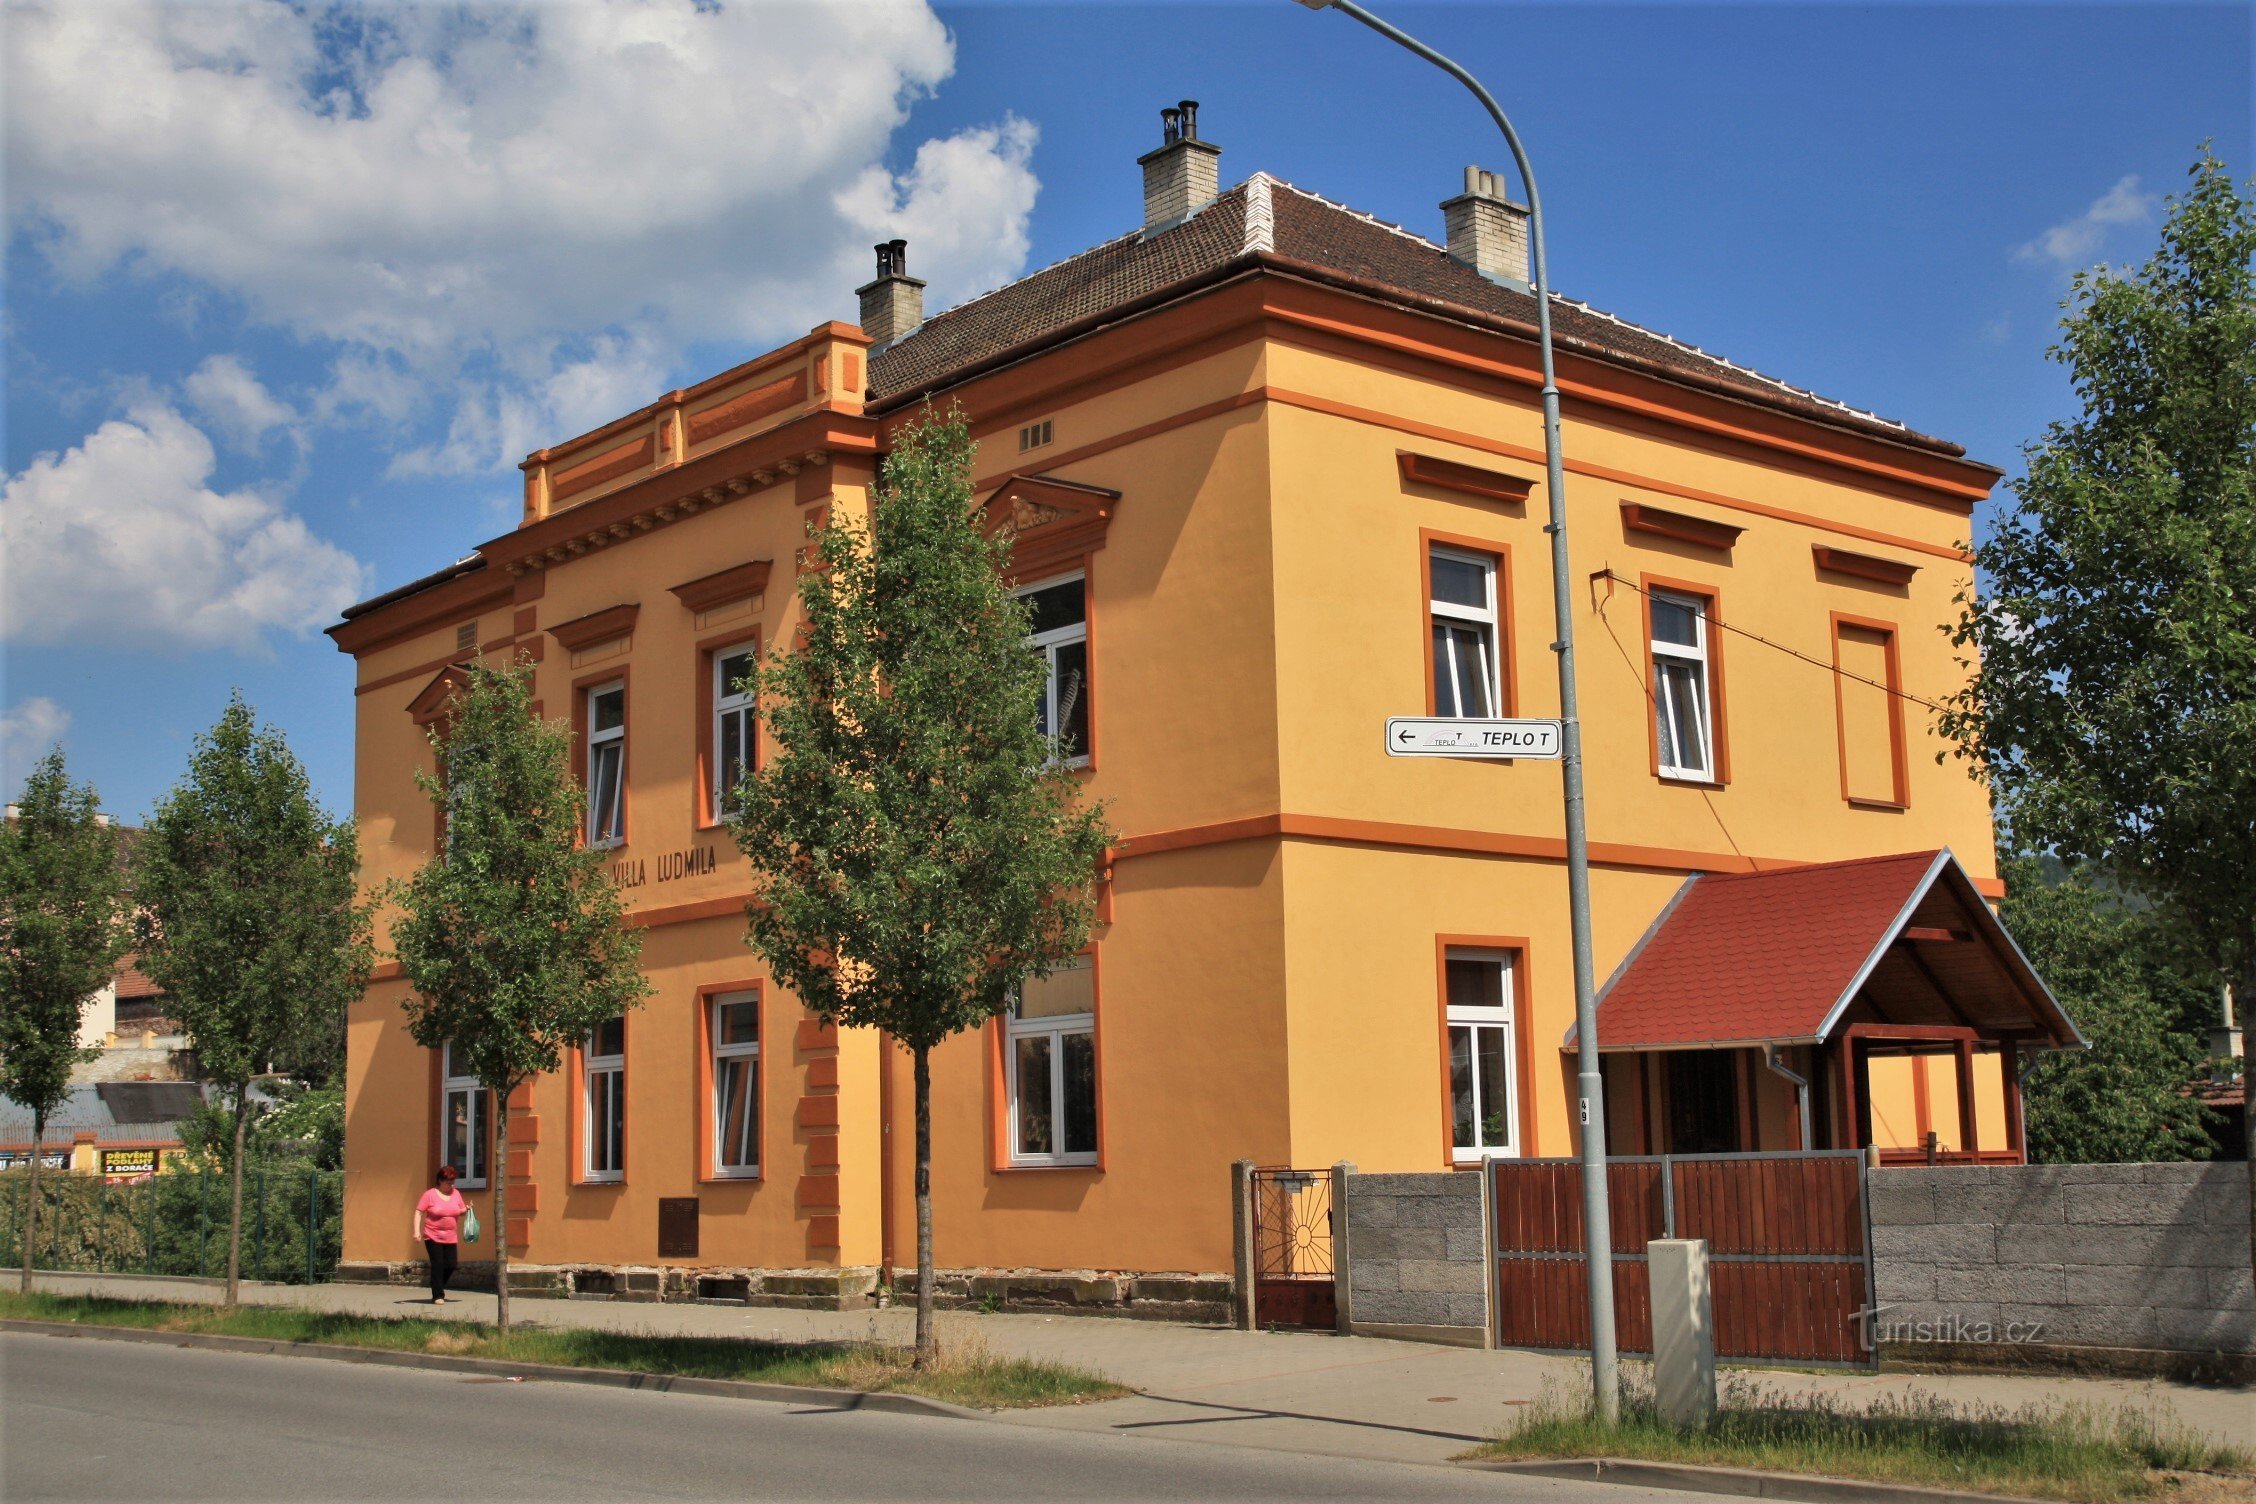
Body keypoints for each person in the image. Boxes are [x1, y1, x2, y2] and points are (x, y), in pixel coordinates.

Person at [414, 1165, 468, 1304]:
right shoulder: (429, 1195)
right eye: (448, 1182)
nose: (451, 1185)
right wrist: (416, 1231)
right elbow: (419, 1212)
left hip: (450, 1236)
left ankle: (436, 1283)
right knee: (438, 1264)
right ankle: (438, 1295)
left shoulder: (456, 1194)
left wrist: (467, 1209)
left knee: (451, 1264)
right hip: (432, 1235)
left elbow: (460, 1210)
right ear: (440, 1180)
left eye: (452, 1182)